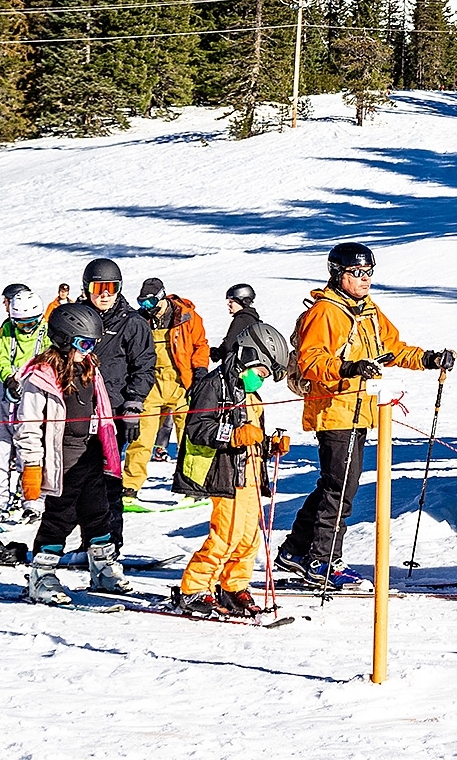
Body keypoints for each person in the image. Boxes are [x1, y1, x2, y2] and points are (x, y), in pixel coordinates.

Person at [278, 241, 453, 588]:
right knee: (340, 488)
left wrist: (428, 359)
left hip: (359, 410)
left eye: (368, 272)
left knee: (335, 484)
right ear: (338, 274)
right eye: (356, 273)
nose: (364, 279)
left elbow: (393, 349)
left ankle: (295, 551)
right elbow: (311, 361)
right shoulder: (325, 313)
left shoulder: (369, 311)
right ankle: (323, 562)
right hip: (334, 409)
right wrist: (348, 367)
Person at [173, 322, 295, 616]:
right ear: (249, 356)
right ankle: (194, 589)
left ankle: (233, 586)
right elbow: (198, 428)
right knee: (225, 534)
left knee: (249, 537)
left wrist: (270, 445)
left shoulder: (250, 394)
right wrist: (233, 435)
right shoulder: (214, 386)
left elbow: (252, 435)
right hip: (224, 474)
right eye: (262, 373)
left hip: (250, 475)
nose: (261, 381)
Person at [15, 303, 134, 602]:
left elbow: (102, 411)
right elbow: (27, 425)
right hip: (61, 459)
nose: (89, 349)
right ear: (64, 339)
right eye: (84, 343)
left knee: (99, 513)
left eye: (94, 343)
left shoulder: (89, 369)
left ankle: (103, 568)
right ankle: (41, 576)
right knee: (61, 517)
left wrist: (108, 451)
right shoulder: (40, 375)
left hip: (90, 453)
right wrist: (31, 465)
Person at [77, 259, 155, 543]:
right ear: (87, 289)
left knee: (107, 479)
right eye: (99, 288)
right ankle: (89, 539)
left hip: (113, 414)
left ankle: (110, 540)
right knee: (78, 480)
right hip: (78, 413)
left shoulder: (132, 323)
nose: (105, 294)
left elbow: (144, 367)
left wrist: (134, 405)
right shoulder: (76, 319)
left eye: (112, 288)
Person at [123, 277, 206, 503]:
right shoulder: (141, 321)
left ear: (161, 298)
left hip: (182, 385)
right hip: (151, 386)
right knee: (142, 437)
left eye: (150, 302)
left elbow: (201, 345)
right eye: (142, 303)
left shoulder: (187, 317)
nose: (146, 308)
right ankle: (129, 488)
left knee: (188, 438)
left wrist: (200, 369)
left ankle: (193, 487)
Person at [0, 284, 49, 523]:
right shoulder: (7, 329)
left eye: (30, 323)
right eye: (21, 323)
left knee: (30, 448)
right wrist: (8, 377)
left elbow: (50, 358)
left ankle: (32, 500)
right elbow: (1, 357)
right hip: (7, 391)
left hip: (35, 391)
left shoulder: (46, 331)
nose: (25, 328)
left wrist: (32, 377)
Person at [212, 283, 260, 361]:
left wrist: (217, 353)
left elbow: (229, 345)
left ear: (242, 301)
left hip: (240, 367)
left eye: (231, 301)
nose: (228, 304)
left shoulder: (242, 319)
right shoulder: (252, 318)